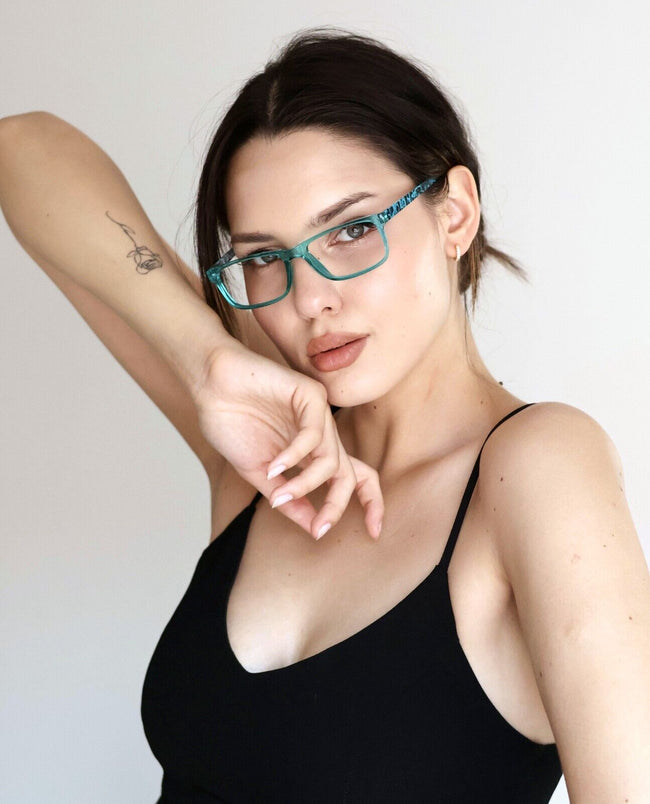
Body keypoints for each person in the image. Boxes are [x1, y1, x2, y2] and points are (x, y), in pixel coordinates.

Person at [1, 29, 648, 804]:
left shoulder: (536, 466)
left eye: (350, 230)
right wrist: (205, 361)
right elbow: (21, 149)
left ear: (455, 213)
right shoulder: (262, 438)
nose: (310, 299)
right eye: (263, 257)